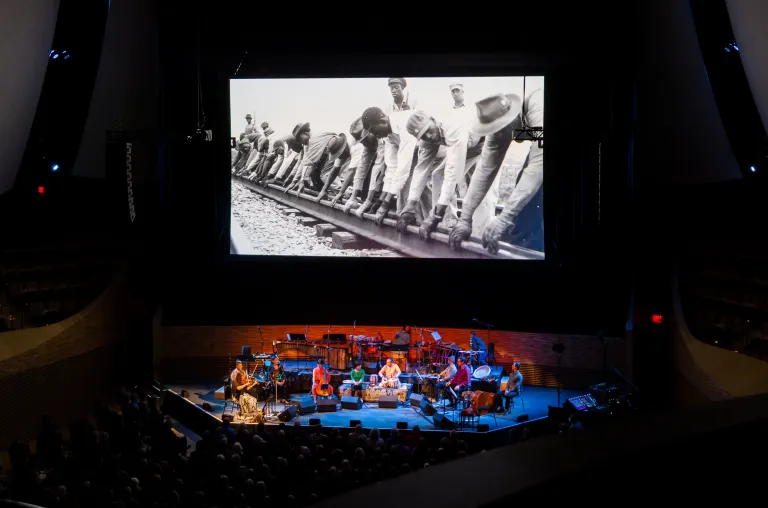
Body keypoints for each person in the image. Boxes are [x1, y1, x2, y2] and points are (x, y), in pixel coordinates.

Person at [449, 89, 543, 254]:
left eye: (500, 128)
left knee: (534, 197)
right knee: (525, 204)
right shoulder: (498, 130)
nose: (497, 133)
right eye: (494, 130)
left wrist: (504, 218)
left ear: (512, 118)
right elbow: (485, 169)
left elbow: (539, 164)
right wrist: (465, 218)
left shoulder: (538, 104)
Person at [399, 110, 485, 238]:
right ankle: (446, 223)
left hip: (486, 142)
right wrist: (410, 206)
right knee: (437, 175)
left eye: (429, 130)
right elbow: (421, 170)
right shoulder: (427, 139)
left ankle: (479, 237)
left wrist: (434, 215)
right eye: (423, 135)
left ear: (433, 120)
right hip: (467, 146)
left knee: (484, 192)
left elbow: (452, 173)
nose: (429, 136)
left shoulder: (452, 126)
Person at [356, 105, 418, 225]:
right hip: (417, 153)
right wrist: (380, 201)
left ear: (383, 121)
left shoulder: (404, 123)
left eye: (374, 131)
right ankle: (406, 220)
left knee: (418, 183)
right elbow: (392, 169)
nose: (375, 135)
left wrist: (386, 203)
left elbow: (403, 169)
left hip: (440, 151)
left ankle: (440, 223)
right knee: (404, 187)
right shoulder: (388, 135)